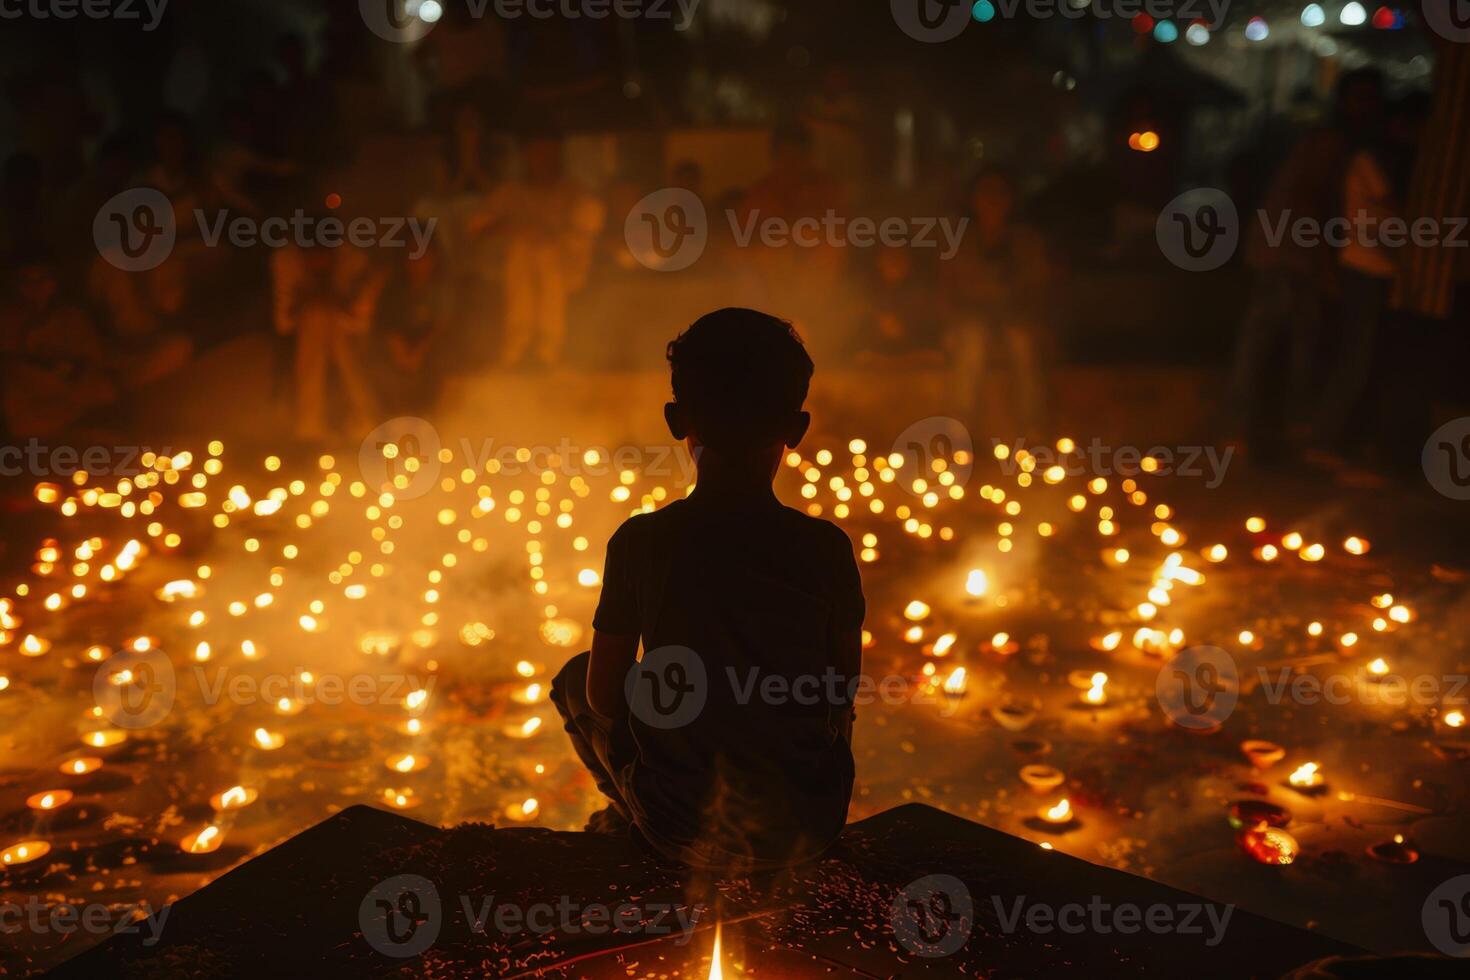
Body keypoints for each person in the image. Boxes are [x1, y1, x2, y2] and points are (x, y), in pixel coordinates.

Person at [550, 308, 865, 870]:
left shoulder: (642, 542)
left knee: (574, 680)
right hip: (807, 828)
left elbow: (604, 697)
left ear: (676, 419)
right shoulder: (826, 548)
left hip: (678, 829)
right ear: (796, 429)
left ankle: (630, 812)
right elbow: (841, 691)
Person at [1226, 68, 1384, 462]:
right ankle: (1279, 433)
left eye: (1370, 98)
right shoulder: (1329, 143)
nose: (1364, 106)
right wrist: (1323, 266)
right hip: (1290, 257)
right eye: (1357, 97)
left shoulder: (1341, 144)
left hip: (1290, 255)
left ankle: (1266, 432)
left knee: (1282, 345)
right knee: (1288, 346)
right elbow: (1307, 204)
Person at [941, 169, 1050, 436]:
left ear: (1010, 199)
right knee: (971, 342)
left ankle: (1031, 429)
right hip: (971, 321)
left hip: (1015, 320)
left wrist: (1036, 323)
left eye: (999, 193)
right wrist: (949, 327)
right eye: (985, 193)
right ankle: (960, 431)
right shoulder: (959, 241)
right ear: (973, 200)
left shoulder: (1026, 242)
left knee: (1021, 342)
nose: (992, 201)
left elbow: (1038, 289)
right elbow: (946, 290)